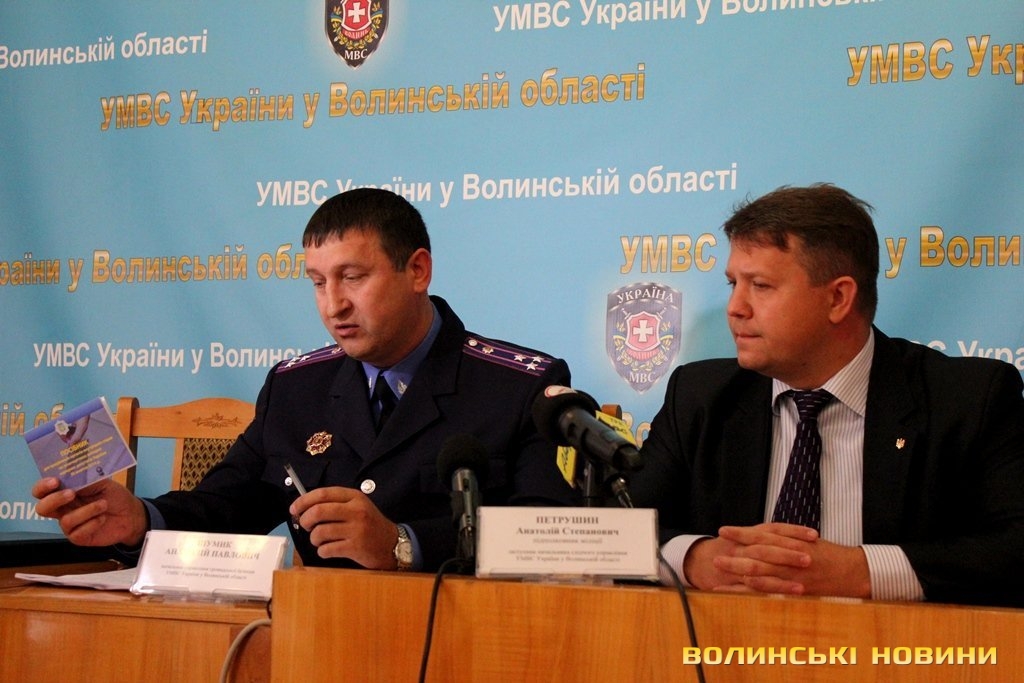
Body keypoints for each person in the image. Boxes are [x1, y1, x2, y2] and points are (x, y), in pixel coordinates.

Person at [33, 188, 579, 571]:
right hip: (314, 640)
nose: (333, 305)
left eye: (353, 277)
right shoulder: (296, 389)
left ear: (417, 270)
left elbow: (550, 535)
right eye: (318, 282)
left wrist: (403, 544)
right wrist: (139, 521)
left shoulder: (520, 389)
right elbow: (228, 507)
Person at [631, 183, 1024, 606]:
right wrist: (695, 559)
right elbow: (616, 528)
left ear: (838, 298)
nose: (736, 307)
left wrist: (862, 571)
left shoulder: (968, 400)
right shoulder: (700, 396)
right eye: (733, 284)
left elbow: (1014, 546)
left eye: (760, 286)